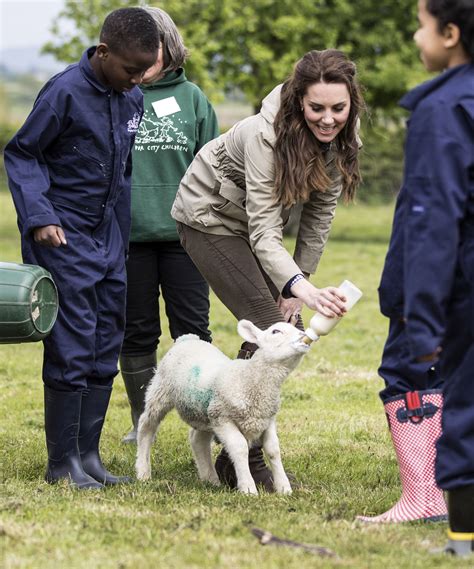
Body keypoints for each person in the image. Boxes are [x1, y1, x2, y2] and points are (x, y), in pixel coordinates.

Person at [171, 49, 365, 490]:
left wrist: (300, 283)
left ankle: (234, 444)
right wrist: (299, 288)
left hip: (257, 228)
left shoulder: (343, 136)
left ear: (351, 102)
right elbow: (262, 231)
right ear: (299, 101)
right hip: (210, 218)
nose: (328, 118)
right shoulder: (265, 135)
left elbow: (319, 214)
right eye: (317, 108)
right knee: (271, 323)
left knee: (280, 321)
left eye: (339, 107)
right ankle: (247, 459)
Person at [4, 8, 160, 489]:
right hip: (64, 233)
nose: (137, 80)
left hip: (109, 237)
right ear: (104, 51)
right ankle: (61, 464)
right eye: (130, 69)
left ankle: (89, 458)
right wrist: (40, 217)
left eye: (144, 71)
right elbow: (21, 153)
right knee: (72, 344)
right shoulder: (64, 92)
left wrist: (122, 235)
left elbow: (124, 173)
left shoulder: (130, 98)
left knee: (105, 341)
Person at [358, 0, 474, 553]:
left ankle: (432, 506)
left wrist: (419, 313)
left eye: (422, 24)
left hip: (457, 285)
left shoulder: (445, 106)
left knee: (421, 378)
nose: (413, 35)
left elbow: (434, 217)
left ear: (451, 33)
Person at [119, 7, 218, 444]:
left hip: (187, 237)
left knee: (193, 331)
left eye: (150, 45)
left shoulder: (194, 98)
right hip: (129, 237)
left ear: (168, 46)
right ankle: (145, 423)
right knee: (136, 331)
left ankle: (208, 417)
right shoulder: (117, 94)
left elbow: (217, 167)